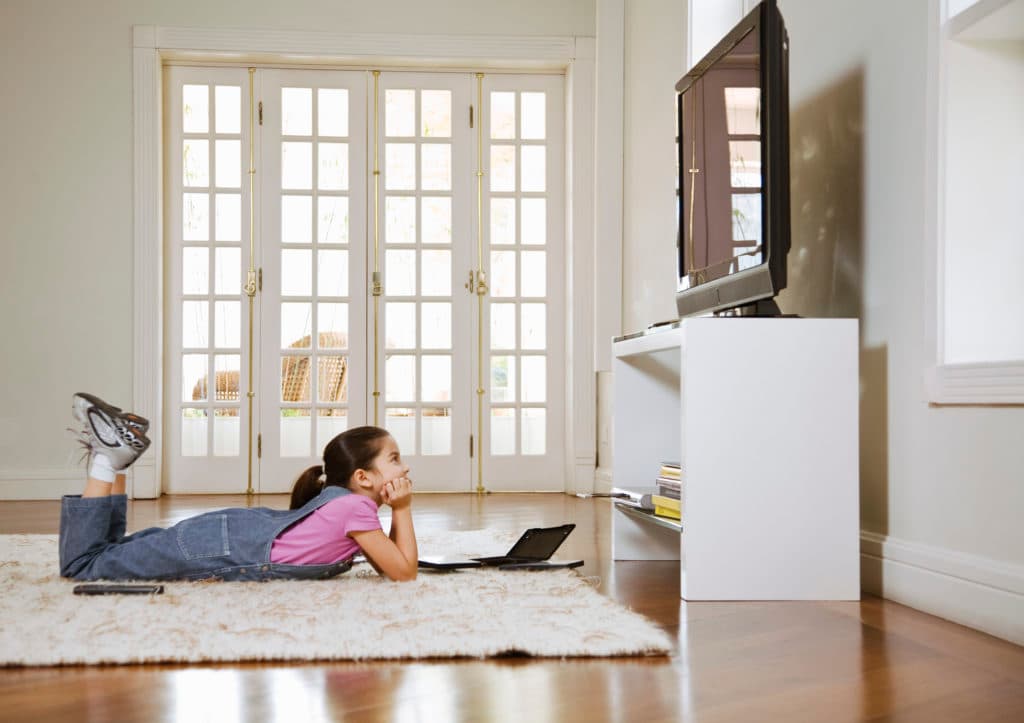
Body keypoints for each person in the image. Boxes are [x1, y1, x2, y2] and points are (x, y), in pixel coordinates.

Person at [59, 393, 417, 583]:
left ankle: (117, 460)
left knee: (111, 552)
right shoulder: (355, 509)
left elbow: (389, 564)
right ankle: (107, 461)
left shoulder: (346, 505)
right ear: (363, 477)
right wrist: (401, 509)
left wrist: (397, 509)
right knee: (84, 565)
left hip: (223, 537)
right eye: (395, 459)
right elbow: (403, 572)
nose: (404, 467)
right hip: (220, 546)